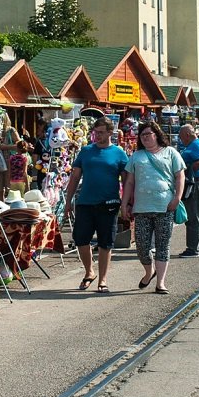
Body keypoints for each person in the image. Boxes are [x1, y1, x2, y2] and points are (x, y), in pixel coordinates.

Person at [64, 118, 129, 293]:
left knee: (105, 243)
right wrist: (68, 201)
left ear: (110, 132)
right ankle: (89, 271)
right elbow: (75, 177)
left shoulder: (119, 153)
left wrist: (126, 202)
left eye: (101, 132)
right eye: (95, 132)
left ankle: (103, 279)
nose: (97, 136)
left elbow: (127, 180)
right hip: (85, 201)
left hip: (109, 203)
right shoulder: (86, 151)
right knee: (81, 239)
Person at [122, 121, 185, 294]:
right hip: (141, 207)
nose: (145, 138)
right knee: (141, 246)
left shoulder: (171, 153)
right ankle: (149, 272)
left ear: (156, 134)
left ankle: (161, 282)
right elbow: (129, 182)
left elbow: (180, 177)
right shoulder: (136, 156)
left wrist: (177, 198)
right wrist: (125, 203)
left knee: (163, 245)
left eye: (148, 134)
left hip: (165, 206)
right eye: (142, 135)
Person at [175, 124, 199, 256]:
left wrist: (185, 170)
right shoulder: (194, 145)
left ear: (187, 135)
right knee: (196, 216)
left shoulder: (196, 144)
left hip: (195, 183)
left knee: (192, 216)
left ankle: (193, 248)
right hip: (196, 182)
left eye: (181, 136)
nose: (180, 139)